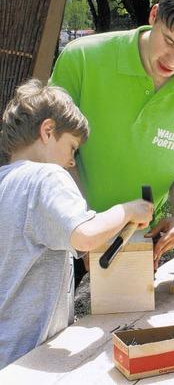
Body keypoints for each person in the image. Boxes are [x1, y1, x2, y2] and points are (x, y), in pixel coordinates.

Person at [50, 0, 174, 284]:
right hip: (65, 224)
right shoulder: (81, 58)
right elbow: (51, 152)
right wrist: (85, 226)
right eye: (170, 40)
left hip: (139, 236)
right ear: (153, 16)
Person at [0, 80, 153, 369]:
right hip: (30, 356)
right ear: (47, 131)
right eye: (72, 148)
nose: (72, 162)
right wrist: (128, 210)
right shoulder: (47, 177)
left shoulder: (5, 182)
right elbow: (85, 235)